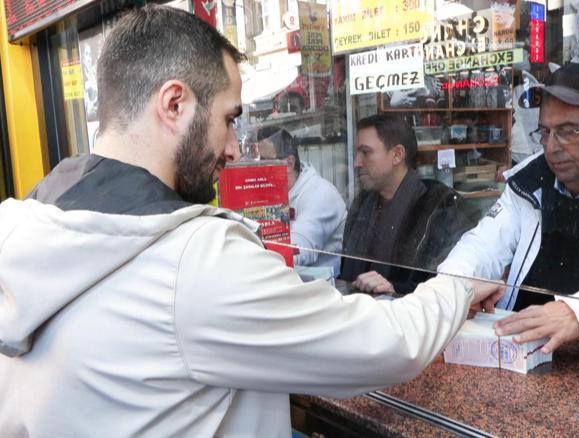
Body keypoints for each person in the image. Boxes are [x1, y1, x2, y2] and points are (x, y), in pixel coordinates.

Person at [0, 6, 505, 436]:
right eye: (228, 118)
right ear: (174, 104)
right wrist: (459, 284)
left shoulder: (30, 228)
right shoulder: (190, 261)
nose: (233, 148)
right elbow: (391, 345)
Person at [439, 63, 579, 354]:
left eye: (569, 131)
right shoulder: (528, 182)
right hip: (519, 352)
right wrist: (452, 290)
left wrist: (577, 312)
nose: (551, 147)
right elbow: (481, 246)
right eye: (545, 132)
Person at [339, 114, 473, 295]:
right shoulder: (363, 203)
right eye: (357, 153)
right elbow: (347, 271)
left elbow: (450, 287)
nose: (356, 162)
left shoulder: (440, 207)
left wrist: (395, 290)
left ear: (397, 155)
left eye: (366, 152)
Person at [250, 126, 347, 275]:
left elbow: (298, 251)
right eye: (257, 162)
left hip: (324, 287)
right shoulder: (273, 191)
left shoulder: (320, 193)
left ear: (289, 162)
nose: (259, 168)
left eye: (265, 161)